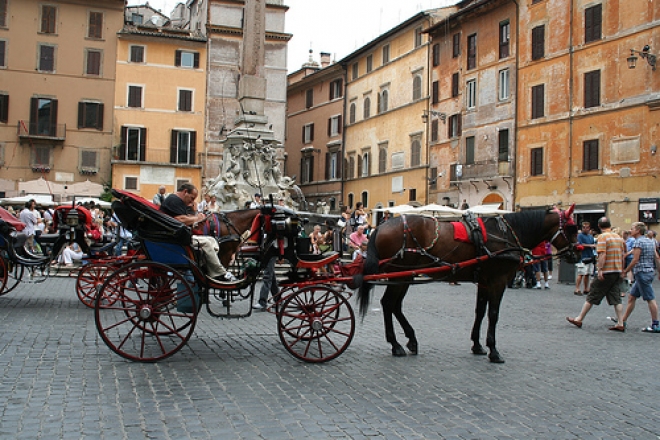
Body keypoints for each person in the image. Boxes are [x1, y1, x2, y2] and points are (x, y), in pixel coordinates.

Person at [160, 183, 236, 282]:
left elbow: (182, 219)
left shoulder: (177, 201)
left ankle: (208, 269)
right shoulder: (174, 200)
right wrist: (196, 219)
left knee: (212, 240)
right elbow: (179, 219)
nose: (192, 202)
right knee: (207, 243)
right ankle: (220, 273)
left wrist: (196, 221)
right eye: (191, 198)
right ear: (185, 192)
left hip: (177, 236)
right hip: (174, 239)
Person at [567, 217, 625, 329]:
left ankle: (579, 319)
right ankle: (620, 323)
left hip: (607, 271)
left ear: (599, 226)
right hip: (616, 270)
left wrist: (600, 269)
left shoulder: (602, 237)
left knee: (592, 295)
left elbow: (602, 254)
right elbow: (622, 255)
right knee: (616, 298)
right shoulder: (618, 237)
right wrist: (622, 270)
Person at [611, 222, 660, 332]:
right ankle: (623, 320)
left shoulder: (638, 242)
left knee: (650, 299)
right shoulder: (650, 241)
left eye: (632, 228)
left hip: (641, 273)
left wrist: (625, 271)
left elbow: (635, 260)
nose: (630, 230)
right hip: (648, 272)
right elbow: (657, 257)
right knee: (632, 297)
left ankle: (656, 324)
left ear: (638, 230)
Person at [574, 222, 596, 296]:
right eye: (583, 227)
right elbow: (580, 244)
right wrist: (590, 245)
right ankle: (577, 289)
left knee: (587, 274)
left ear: (589, 228)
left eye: (587, 227)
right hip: (582, 257)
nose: (585, 229)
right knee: (581, 273)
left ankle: (586, 288)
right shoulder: (580, 236)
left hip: (590, 256)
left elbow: (593, 244)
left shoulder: (590, 236)